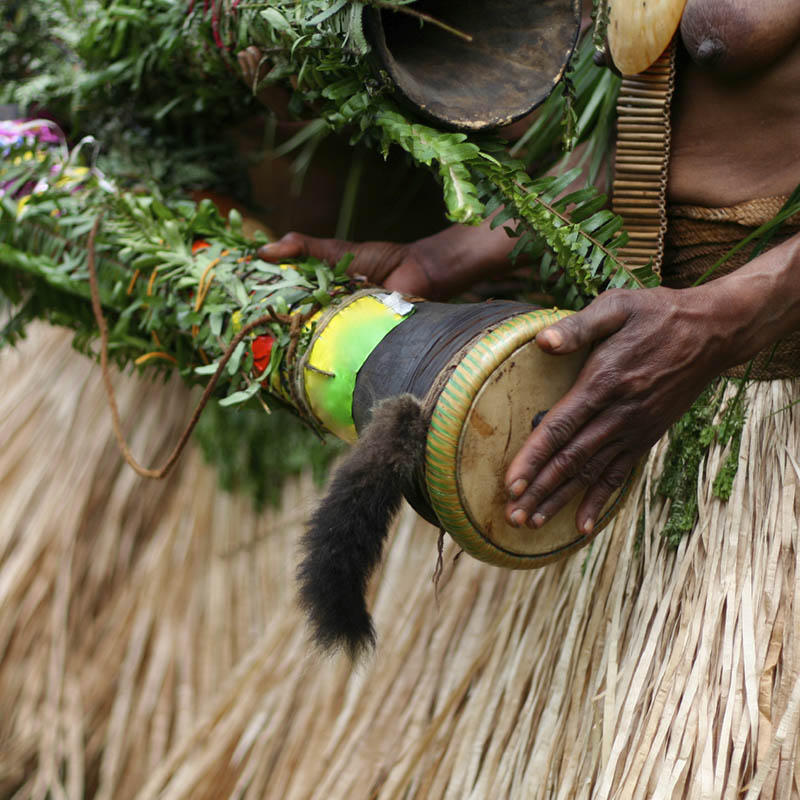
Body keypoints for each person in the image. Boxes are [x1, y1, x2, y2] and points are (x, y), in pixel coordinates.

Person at [256, 0, 800, 537]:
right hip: (655, 398)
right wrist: (440, 258)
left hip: (773, 436)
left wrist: (720, 321)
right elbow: (656, 124)